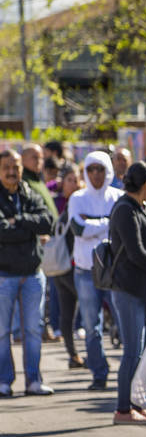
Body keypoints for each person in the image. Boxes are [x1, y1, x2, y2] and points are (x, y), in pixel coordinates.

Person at [109, 162, 146, 425]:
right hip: (129, 289)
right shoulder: (125, 209)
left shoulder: (142, 207)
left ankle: (136, 404)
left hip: (144, 290)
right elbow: (135, 251)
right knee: (132, 350)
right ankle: (123, 409)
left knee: (143, 351)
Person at [0, 149, 56, 398]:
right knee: (2, 332)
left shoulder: (31, 193)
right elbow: (2, 231)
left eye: (16, 167)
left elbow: (48, 222)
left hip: (33, 274)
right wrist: (27, 227)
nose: (12, 172)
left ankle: (33, 380)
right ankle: (4, 381)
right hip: (4, 276)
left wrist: (17, 221)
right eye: (7, 167)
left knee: (33, 331)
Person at [68, 151, 123, 390]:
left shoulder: (119, 197)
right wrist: (107, 222)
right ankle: (99, 373)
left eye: (100, 169)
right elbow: (78, 229)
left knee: (123, 322)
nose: (96, 174)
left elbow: (119, 229)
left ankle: (129, 372)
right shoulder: (77, 198)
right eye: (91, 169)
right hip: (86, 270)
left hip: (114, 270)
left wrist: (94, 222)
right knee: (91, 326)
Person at [52, 165, 86, 369]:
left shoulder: (78, 201)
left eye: (76, 179)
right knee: (77, 311)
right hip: (68, 266)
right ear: (62, 183)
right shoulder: (71, 204)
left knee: (71, 312)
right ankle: (74, 354)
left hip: (64, 265)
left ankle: (74, 355)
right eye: (70, 180)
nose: (74, 183)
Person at [20, 143, 58, 218]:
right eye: (35, 157)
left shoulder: (38, 180)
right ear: (22, 158)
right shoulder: (21, 181)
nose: (39, 161)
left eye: (41, 158)